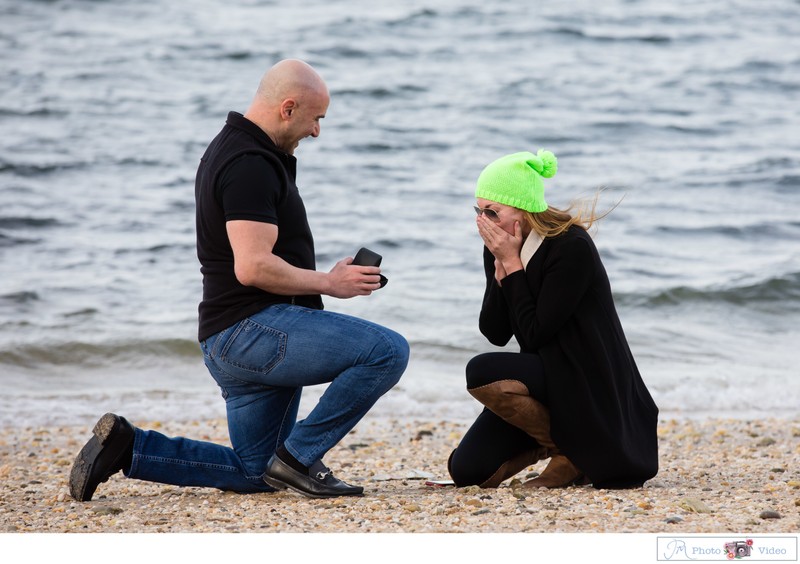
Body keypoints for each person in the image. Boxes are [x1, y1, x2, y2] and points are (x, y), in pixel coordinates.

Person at [69, 59, 409, 501]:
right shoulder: (250, 162)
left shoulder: (240, 150)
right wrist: (330, 282)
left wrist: (327, 276)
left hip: (233, 335)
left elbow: (259, 257)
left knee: (258, 473)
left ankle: (130, 448)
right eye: (316, 119)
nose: (317, 132)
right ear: (288, 108)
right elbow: (252, 267)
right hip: (253, 331)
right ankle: (300, 458)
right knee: (387, 351)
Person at [447, 150, 658, 490]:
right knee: (468, 471)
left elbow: (536, 335)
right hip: (548, 377)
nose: (482, 221)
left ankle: (573, 452)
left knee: (481, 370)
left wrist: (513, 267)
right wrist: (500, 270)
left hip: (585, 378)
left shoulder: (571, 246)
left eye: (492, 212)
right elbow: (495, 332)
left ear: (524, 210)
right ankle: (557, 443)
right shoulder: (501, 246)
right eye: (479, 210)